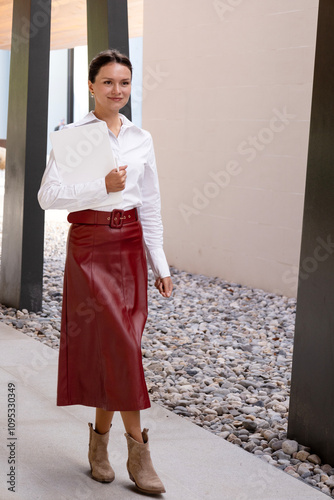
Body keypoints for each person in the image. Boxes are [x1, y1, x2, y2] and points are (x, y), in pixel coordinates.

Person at [38, 49, 173, 495]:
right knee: (120, 344)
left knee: (120, 345)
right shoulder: (73, 135)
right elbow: (48, 196)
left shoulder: (141, 138)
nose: (118, 91)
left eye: (125, 83)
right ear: (91, 86)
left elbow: (150, 203)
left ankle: (99, 445)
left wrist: (160, 263)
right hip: (90, 248)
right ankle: (140, 453)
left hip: (131, 246)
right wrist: (102, 186)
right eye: (109, 82)